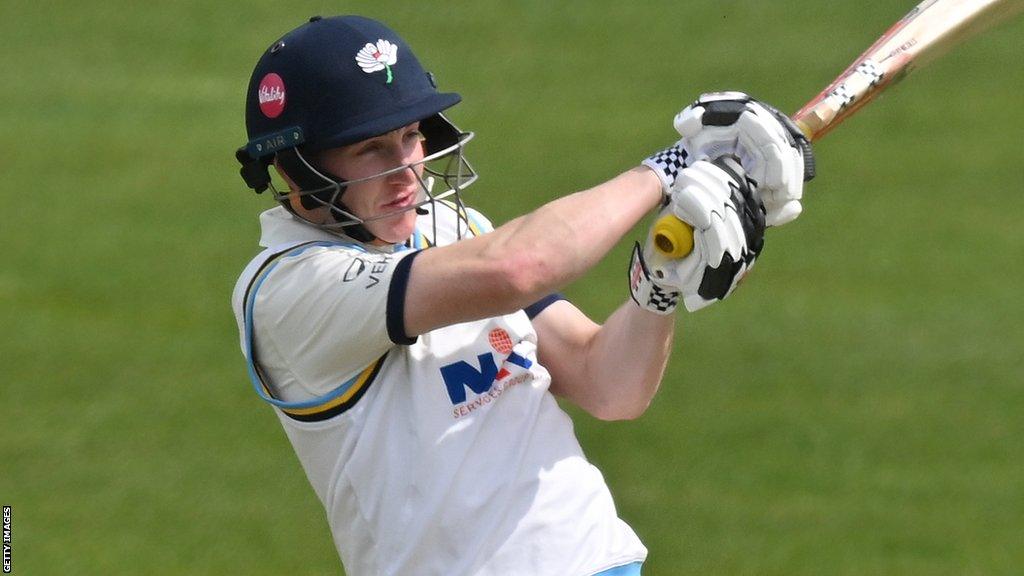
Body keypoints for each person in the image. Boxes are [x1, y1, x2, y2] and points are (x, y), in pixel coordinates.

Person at [231, 15, 813, 576]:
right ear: (296, 166)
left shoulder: (452, 228)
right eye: (370, 149)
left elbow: (608, 386)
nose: (407, 171)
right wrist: (671, 166)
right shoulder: (287, 292)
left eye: (409, 137)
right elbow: (521, 265)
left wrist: (658, 287)